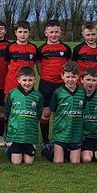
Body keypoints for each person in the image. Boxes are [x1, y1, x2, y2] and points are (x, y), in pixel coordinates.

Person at [38, 19, 70, 148]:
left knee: (60, 113)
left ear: (61, 33)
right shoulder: (41, 49)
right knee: (45, 113)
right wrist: (46, 77)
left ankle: (59, 139)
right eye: (51, 32)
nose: (54, 34)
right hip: (46, 84)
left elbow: (68, 66)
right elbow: (39, 67)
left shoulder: (66, 48)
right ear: (46, 33)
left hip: (61, 85)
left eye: (57, 32)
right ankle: (45, 141)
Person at [48, 61, 86, 164]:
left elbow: (83, 110)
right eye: (68, 77)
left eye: (73, 77)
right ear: (62, 76)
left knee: (75, 162)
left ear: (78, 76)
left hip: (76, 133)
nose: (70, 80)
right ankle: (47, 150)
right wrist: (58, 126)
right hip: (61, 132)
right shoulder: (58, 92)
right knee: (58, 161)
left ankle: (68, 151)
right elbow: (54, 112)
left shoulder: (82, 92)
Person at [4, 66, 43, 165]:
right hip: (15, 135)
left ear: (35, 80)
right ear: (19, 80)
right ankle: (10, 148)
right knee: (16, 162)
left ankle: (28, 147)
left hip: (30, 135)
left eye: (30, 80)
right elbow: (7, 112)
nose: (27, 83)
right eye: (24, 80)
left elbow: (38, 114)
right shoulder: (12, 93)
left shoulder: (38, 96)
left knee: (28, 162)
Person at [72, 22, 97, 93]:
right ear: (83, 34)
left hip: (96, 86)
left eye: (93, 34)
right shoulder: (78, 49)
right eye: (88, 35)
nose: (90, 37)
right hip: (80, 85)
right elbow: (73, 68)